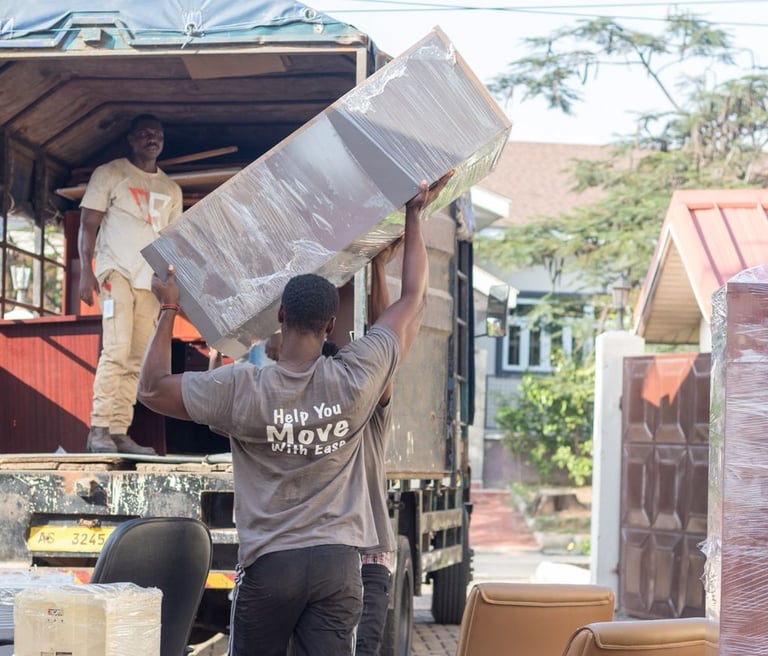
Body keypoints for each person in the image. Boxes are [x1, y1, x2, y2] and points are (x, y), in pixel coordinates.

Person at [137, 169, 453, 656]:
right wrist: (414, 214)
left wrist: (168, 309)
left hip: (270, 563)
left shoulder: (242, 387)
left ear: (280, 317)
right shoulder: (354, 378)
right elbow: (413, 299)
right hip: (337, 566)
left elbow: (153, 390)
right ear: (329, 326)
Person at [79, 114, 183, 454]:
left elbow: (172, 242)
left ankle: (120, 431)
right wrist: (85, 271)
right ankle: (98, 429)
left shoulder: (170, 189)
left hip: (149, 281)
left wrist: (171, 285)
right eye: (144, 133)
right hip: (116, 272)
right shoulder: (111, 174)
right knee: (116, 349)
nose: (152, 138)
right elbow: (87, 224)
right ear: (131, 138)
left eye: (158, 133)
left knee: (137, 357)